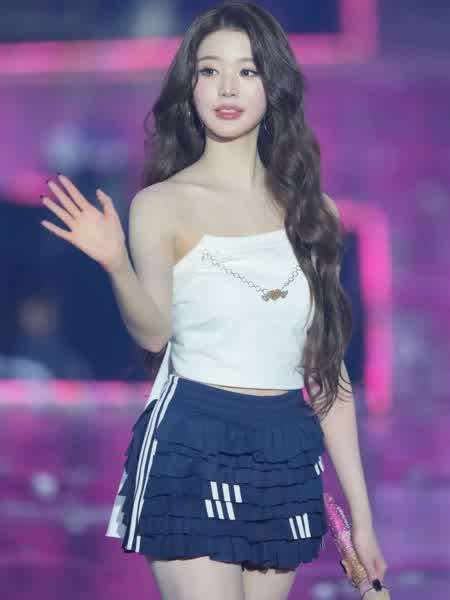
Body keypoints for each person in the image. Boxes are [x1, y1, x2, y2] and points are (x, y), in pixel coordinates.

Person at [40, 1, 387, 598]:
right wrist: (118, 265)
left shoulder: (315, 214)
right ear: (191, 86)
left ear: (272, 86)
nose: (227, 88)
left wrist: (363, 516)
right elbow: (153, 334)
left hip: (285, 452)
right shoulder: (161, 204)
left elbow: (328, 373)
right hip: (192, 443)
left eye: (247, 71)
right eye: (209, 70)